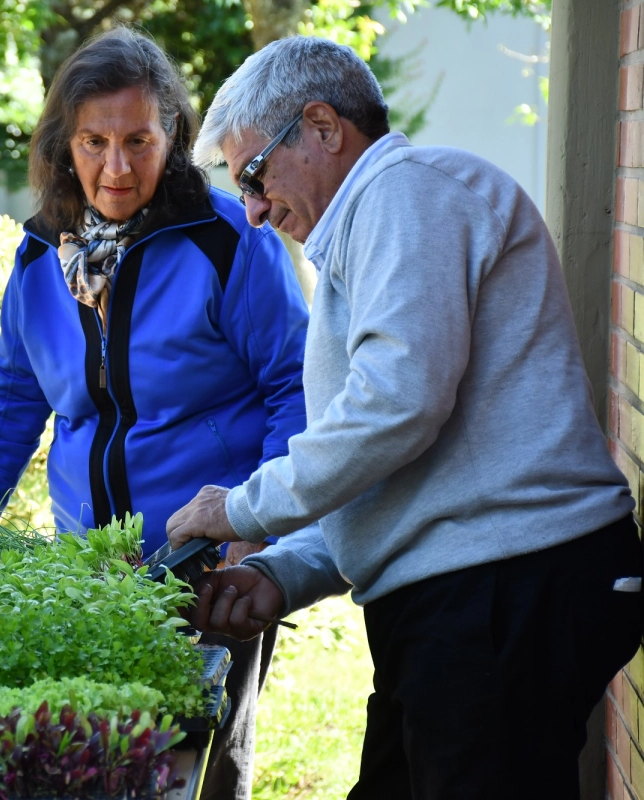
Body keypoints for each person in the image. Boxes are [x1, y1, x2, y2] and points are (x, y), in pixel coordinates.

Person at [168, 36, 644, 799]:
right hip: (468, 596)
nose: (252, 211)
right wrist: (281, 575)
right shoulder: (377, 220)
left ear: (321, 126)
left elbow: (397, 407)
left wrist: (242, 506)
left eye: (254, 174)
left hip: (503, 591)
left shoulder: (406, 192)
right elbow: (398, 468)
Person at [0, 28, 309, 798]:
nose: (116, 166)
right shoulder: (41, 255)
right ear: (63, 144)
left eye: (139, 139)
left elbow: (295, 387)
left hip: (210, 568)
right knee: (95, 768)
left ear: (173, 136)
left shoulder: (227, 241)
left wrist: (255, 531)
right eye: (95, 141)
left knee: (200, 768)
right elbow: (12, 401)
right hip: (91, 574)